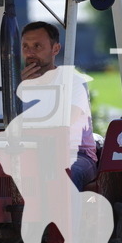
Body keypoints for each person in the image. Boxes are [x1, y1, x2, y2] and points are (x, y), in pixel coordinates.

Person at [19, 21, 98, 189]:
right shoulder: (16, 85)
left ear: (55, 49)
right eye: (25, 46)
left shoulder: (75, 83)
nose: (30, 53)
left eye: (37, 46)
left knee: (64, 173)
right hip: (29, 153)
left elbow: (64, 122)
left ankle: (63, 215)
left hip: (76, 154)